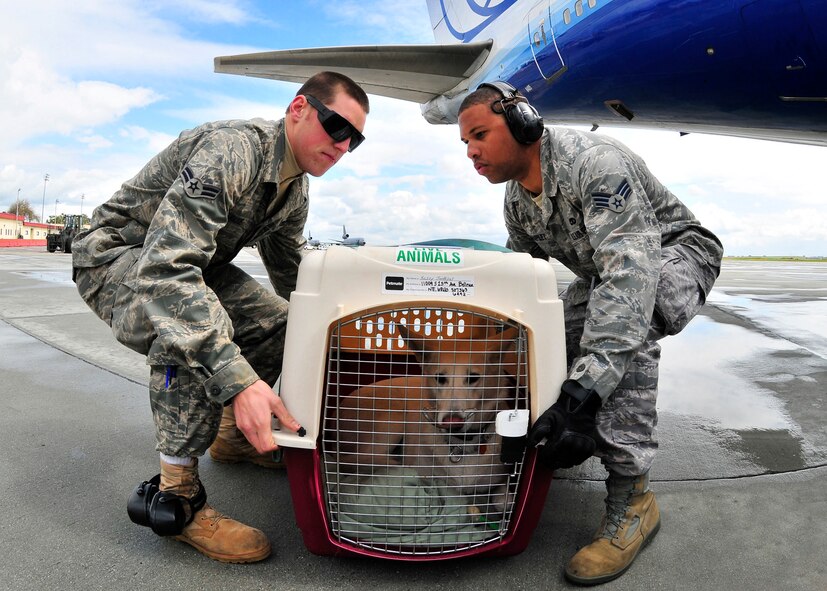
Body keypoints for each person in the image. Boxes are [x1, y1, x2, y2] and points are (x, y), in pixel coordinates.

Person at [72, 71, 369, 564]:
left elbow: (294, 281)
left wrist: (346, 327)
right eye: (338, 126)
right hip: (117, 258)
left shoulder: (293, 189)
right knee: (191, 327)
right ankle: (178, 496)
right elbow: (166, 269)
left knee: (283, 325)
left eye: (355, 141)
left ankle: (234, 441)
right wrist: (238, 381)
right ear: (299, 109)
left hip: (190, 267)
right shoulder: (233, 150)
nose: (342, 146)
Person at [457, 81, 723, 585]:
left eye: (480, 134)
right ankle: (544, 445)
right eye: (464, 142)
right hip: (607, 275)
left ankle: (633, 500)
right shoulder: (517, 201)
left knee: (626, 328)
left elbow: (630, 278)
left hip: (675, 257)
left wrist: (582, 397)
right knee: (547, 336)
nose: (471, 151)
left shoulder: (594, 164)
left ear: (523, 125)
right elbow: (522, 287)